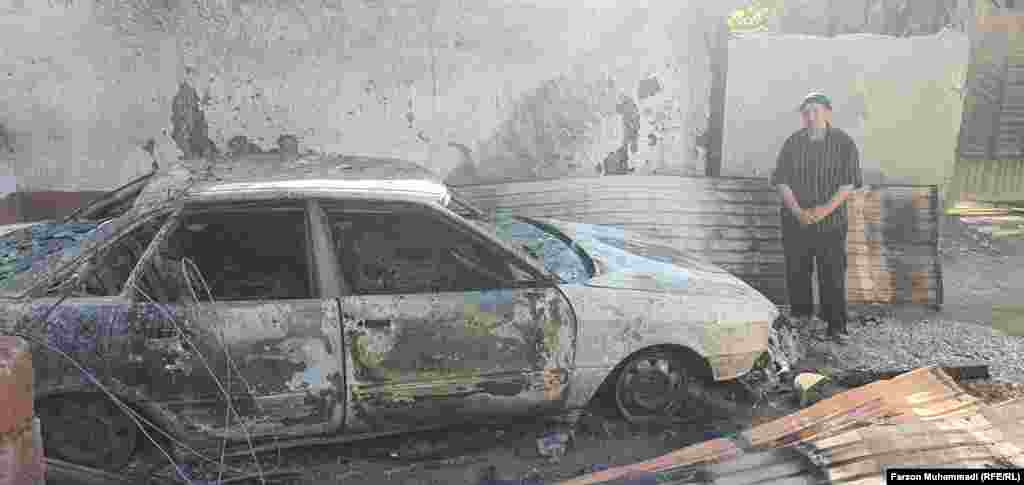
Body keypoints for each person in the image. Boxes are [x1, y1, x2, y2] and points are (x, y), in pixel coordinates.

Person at [770, 93, 863, 342]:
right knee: (797, 271)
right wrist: (799, 212)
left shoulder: (844, 144)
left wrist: (822, 211)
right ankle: (801, 318)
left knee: (832, 274)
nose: (811, 116)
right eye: (806, 112)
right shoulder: (793, 143)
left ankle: (836, 325)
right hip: (795, 221)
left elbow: (848, 184)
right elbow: (781, 180)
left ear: (828, 113)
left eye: (816, 111)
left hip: (831, 222)